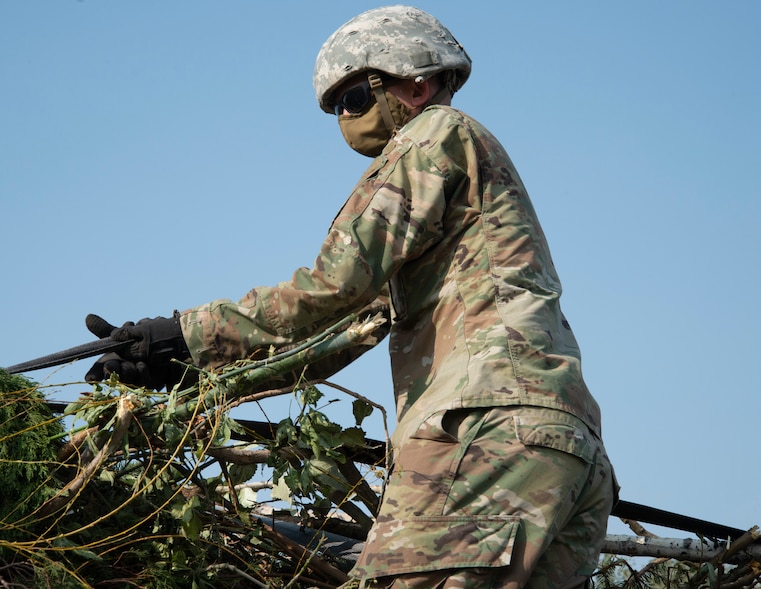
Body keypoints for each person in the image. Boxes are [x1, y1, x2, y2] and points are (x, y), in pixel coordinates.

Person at [85, 6, 617, 588]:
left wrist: (186, 334)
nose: (346, 118)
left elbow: (333, 286)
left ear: (415, 81)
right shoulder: (457, 203)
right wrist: (186, 370)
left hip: (482, 429)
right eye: (336, 108)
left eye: (356, 97)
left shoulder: (433, 135)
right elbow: (340, 330)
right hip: (566, 450)